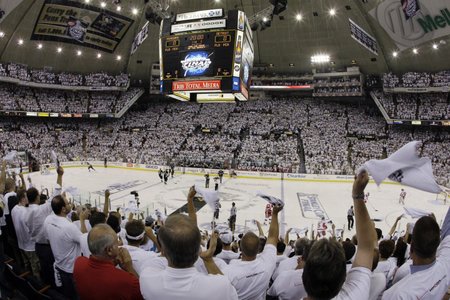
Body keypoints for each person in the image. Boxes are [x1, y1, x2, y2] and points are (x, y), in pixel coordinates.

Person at [139, 186, 238, 299]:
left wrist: (189, 201)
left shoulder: (148, 278)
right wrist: (209, 260)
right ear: (199, 250)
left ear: (164, 251)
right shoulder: (218, 286)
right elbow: (231, 295)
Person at [302, 171, 376, 300]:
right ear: (343, 279)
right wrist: (357, 195)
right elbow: (367, 247)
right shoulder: (355, 295)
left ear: (303, 275)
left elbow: (366, 248)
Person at [382, 207, 450, 299]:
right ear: (437, 245)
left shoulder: (398, 294)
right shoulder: (445, 265)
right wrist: (434, 229)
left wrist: (357, 197)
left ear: (411, 248)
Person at [223, 203, 283, 299]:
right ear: (258, 249)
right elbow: (272, 237)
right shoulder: (267, 264)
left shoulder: (229, 271)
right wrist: (275, 214)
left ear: (240, 249)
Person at [74, 224, 143, 300]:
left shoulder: (79, 262)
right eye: (117, 241)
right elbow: (144, 293)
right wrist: (130, 267)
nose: (120, 243)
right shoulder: (127, 281)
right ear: (109, 250)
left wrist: (112, 263)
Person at [44, 194, 89, 298]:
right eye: (68, 203)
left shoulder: (49, 220)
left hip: (60, 265)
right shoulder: (69, 227)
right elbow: (85, 240)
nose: (70, 204)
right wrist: (82, 219)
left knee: (66, 294)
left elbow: (48, 239)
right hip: (71, 270)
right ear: (63, 209)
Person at [11, 189, 41, 279]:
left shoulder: (14, 209)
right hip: (30, 246)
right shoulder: (25, 211)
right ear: (23, 198)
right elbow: (31, 229)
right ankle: (38, 286)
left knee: (27, 267)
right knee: (36, 269)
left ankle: (28, 281)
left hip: (21, 244)